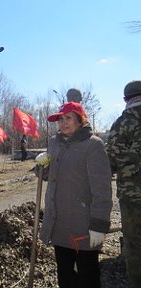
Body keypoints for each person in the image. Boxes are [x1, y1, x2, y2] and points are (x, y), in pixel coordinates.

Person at [39, 102, 112, 288]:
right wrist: (41, 167)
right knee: (65, 275)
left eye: (68, 118)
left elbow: (102, 188)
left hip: (83, 225)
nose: (63, 123)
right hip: (59, 222)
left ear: (81, 120)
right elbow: (50, 175)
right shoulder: (54, 143)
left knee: (88, 277)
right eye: (60, 119)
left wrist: (99, 225)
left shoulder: (93, 145)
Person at [106, 80, 141, 288]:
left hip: (132, 197)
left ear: (126, 99)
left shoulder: (122, 123)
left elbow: (110, 160)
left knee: (135, 246)